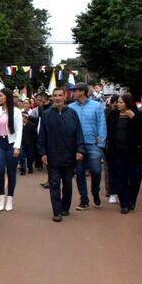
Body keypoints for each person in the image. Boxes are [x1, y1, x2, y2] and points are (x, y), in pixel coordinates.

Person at [38, 88, 85, 222]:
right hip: (52, 157)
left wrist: (80, 150)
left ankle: (65, 207)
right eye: (55, 95)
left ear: (65, 97)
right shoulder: (46, 114)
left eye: (60, 95)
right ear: (52, 97)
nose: (57, 98)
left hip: (69, 157)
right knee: (54, 184)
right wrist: (42, 153)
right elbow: (42, 135)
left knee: (67, 184)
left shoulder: (72, 114)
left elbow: (78, 134)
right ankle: (57, 211)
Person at [106, 93, 142, 214]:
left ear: (127, 103)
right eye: (117, 102)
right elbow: (109, 132)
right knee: (120, 178)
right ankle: (124, 203)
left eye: (120, 102)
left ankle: (132, 200)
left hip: (134, 153)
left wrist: (133, 118)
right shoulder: (113, 115)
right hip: (117, 153)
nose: (117, 104)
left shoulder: (137, 114)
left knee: (135, 178)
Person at [68, 82, 107, 210]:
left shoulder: (97, 106)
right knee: (79, 172)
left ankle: (95, 192)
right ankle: (84, 200)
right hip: (77, 145)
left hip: (93, 144)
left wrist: (101, 143)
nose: (73, 93)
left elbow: (102, 123)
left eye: (75, 91)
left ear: (82, 92)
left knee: (96, 171)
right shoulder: (71, 107)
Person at [0, 88, 23, 211]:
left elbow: (19, 131)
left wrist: (17, 147)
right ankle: (1, 196)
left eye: (1, 95)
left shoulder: (17, 112)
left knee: (11, 172)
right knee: (0, 170)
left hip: (11, 143)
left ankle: (10, 198)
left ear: (7, 97)